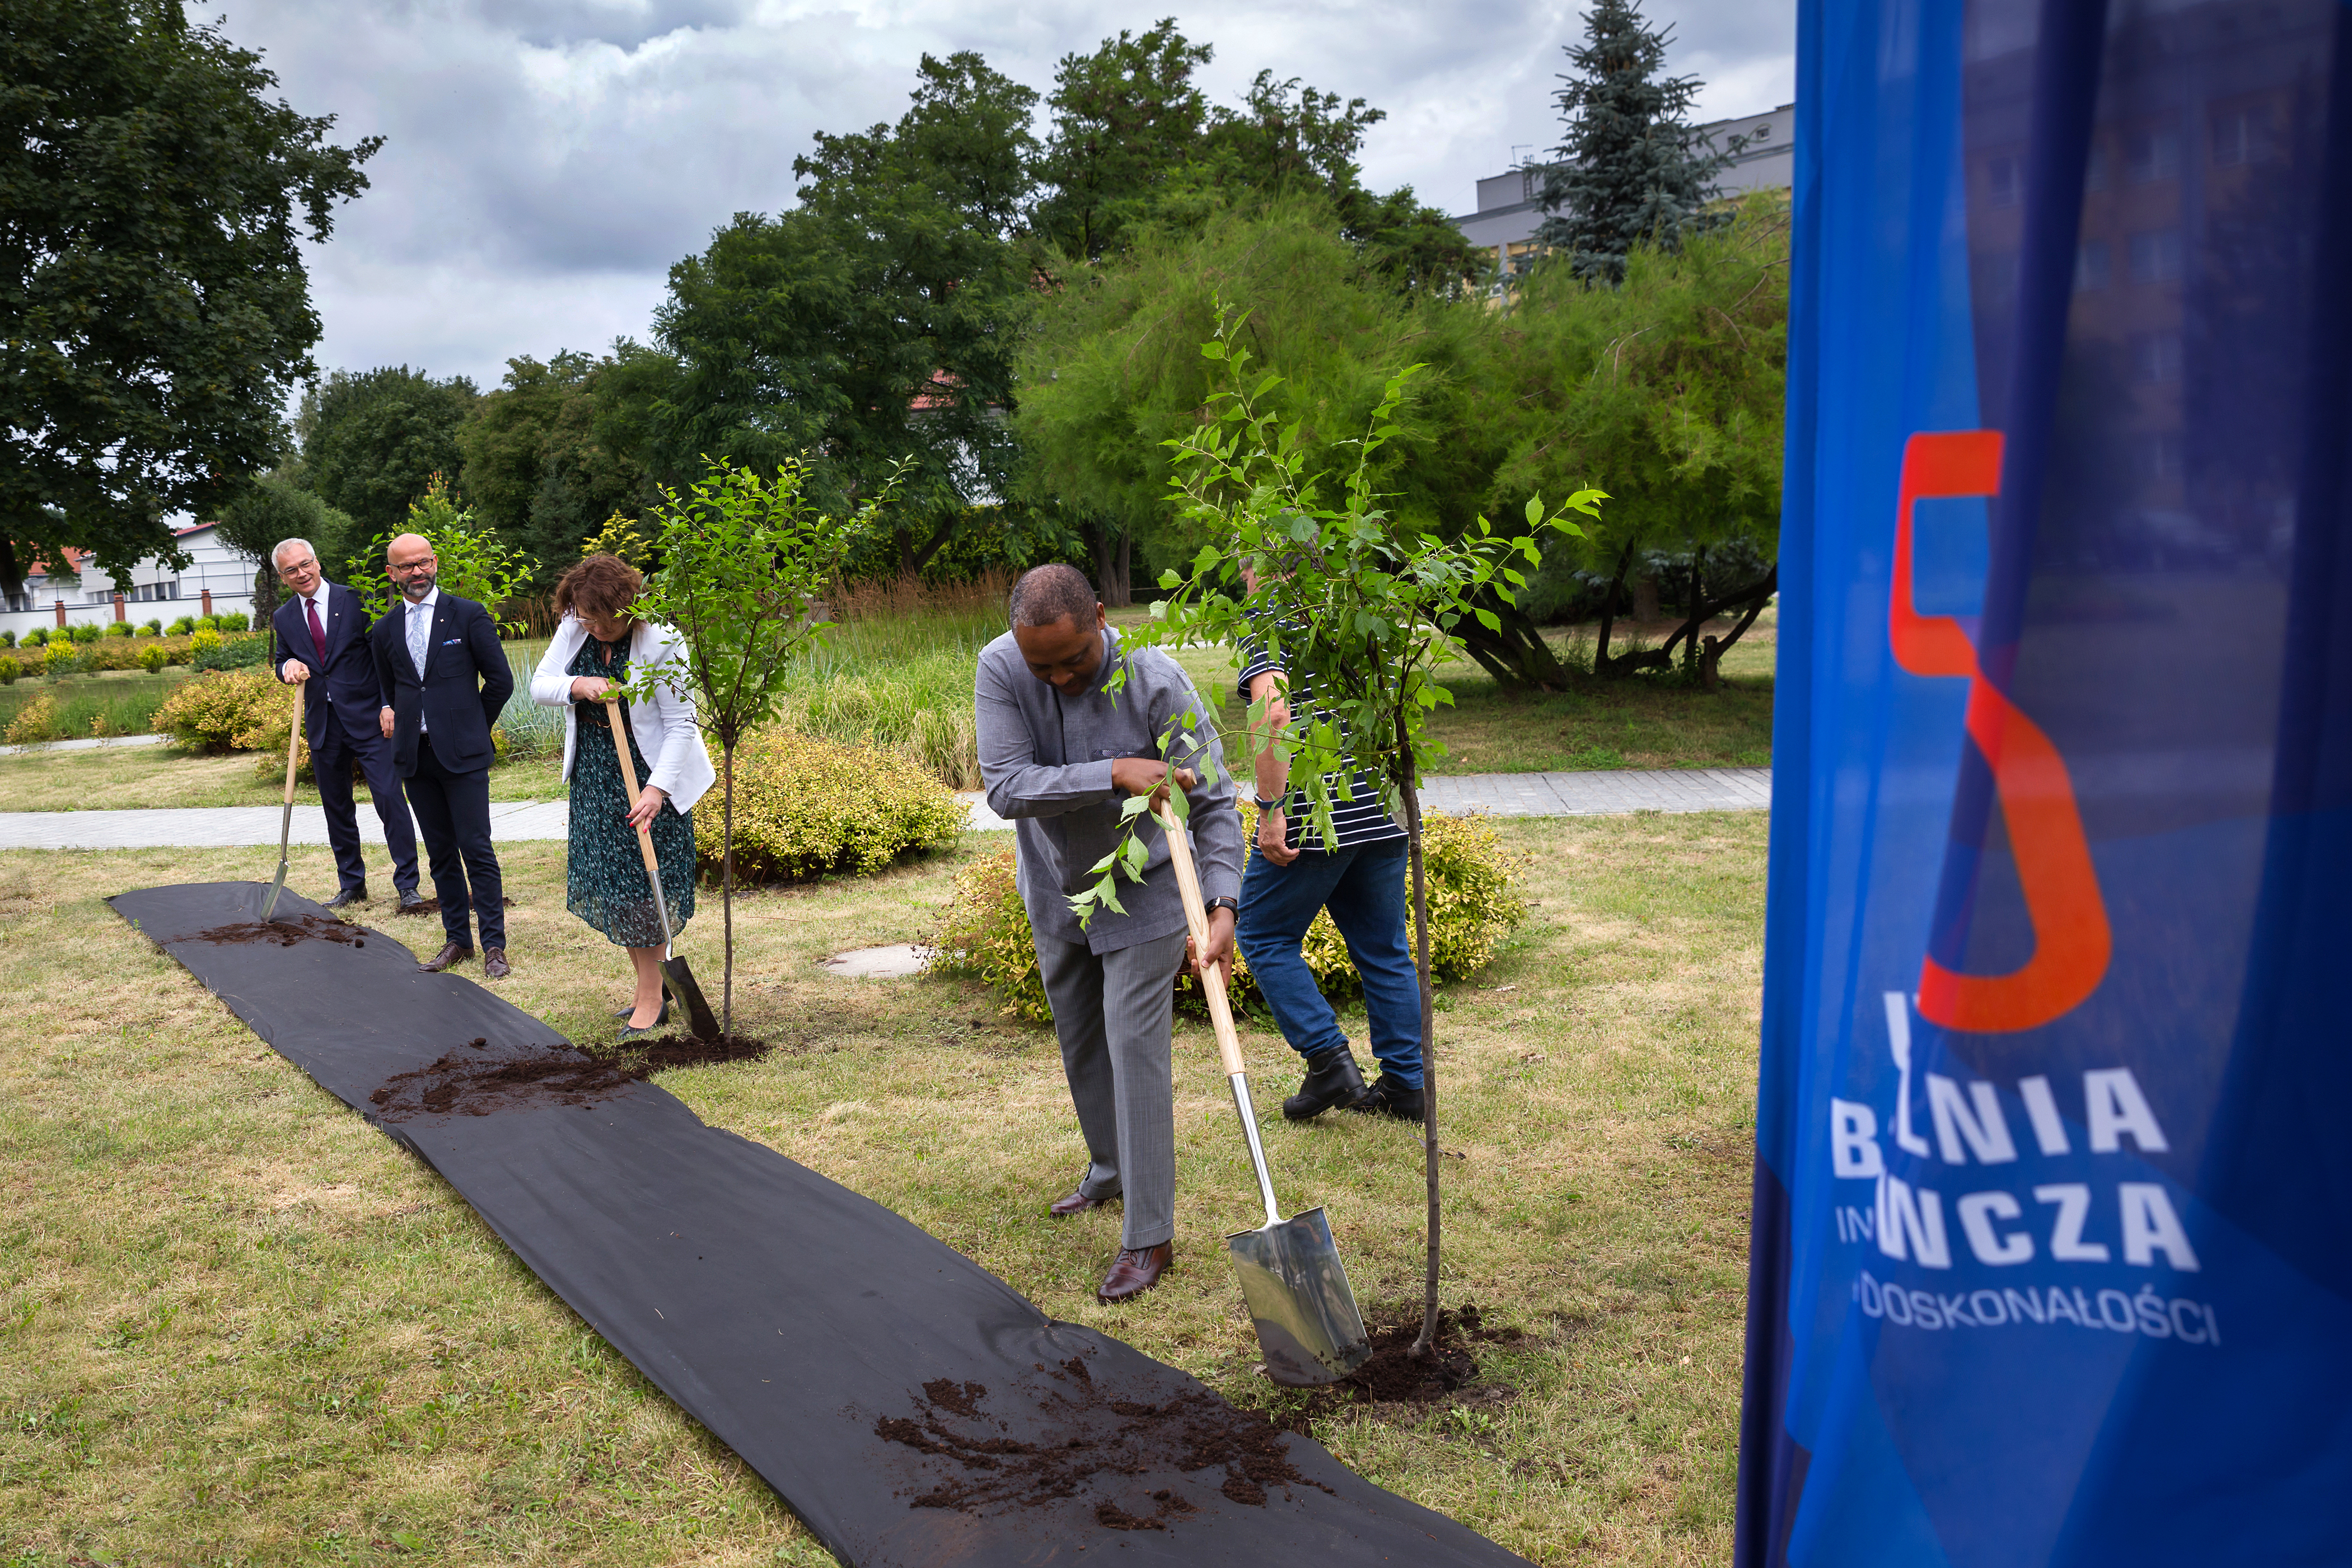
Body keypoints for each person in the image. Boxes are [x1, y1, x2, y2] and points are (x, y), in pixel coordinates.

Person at [976, 563, 1243, 1304]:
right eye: (1044, 666)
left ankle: (1149, 1235)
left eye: (1075, 660)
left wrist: (1222, 905)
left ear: (1100, 616)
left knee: (1133, 1047)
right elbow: (1006, 787)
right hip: (1058, 890)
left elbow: (1215, 802)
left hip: (1153, 892)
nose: (1060, 678)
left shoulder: (1156, 680)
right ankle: (1108, 1170)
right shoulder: (1001, 668)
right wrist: (1114, 771)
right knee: (1081, 1040)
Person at [1231, 567, 1425, 1123]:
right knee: (1385, 949)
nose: (1242, 578)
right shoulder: (1362, 608)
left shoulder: (1270, 616)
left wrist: (1271, 810)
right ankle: (1406, 1087)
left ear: (1262, 567)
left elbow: (1272, 712)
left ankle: (1327, 1060)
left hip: (1319, 813)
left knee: (1262, 932)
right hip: (1384, 808)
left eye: (1245, 566)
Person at [528, 554, 714, 1039]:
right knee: (619, 884)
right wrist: (579, 684)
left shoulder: (663, 641)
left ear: (623, 607)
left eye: (596, 617)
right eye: (582, 616)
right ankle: (647, 988)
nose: (587, 624)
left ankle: (653, 998)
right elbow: (539, 685)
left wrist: (657, 790)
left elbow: (680, 724)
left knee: (645, 882)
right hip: (597, 769)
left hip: (650, 772)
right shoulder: (576, 626)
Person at [369, 532, 516, 977]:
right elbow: (390, 688)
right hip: (416, 757)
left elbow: (500, 682)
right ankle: (458, 940)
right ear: (392, 574)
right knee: (440, 853)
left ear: (434, 563)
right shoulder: (384, 629)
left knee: (476, 848)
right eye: (406, 566)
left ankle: (494, 945)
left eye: (423, 563)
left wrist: (472, 727)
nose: (417, 572)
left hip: (464, 756)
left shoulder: (468, 615)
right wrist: (392, 711)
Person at [267, 537, 424, 912]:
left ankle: (408, 885)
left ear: (317, 562)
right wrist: (285, 667)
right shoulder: (283, 617)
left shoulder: (355, 600)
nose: (302, 573)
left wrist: (390, 703)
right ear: (282, 577)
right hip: (323, 724)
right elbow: (282, 659)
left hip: (371, 718)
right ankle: (352, 884)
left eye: (306, 564)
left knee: (389, 799)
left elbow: (388, 654)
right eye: (292, 570)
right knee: (336, 806)